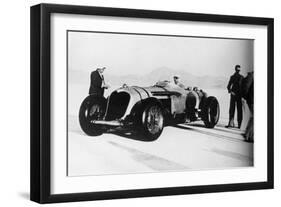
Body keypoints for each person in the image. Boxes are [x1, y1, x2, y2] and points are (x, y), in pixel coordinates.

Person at [242, 71, 254, 142]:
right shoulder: (250, 77)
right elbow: (246, 89)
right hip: (251, 101)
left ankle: (248, 135)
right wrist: (247, 98)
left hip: (252, 100)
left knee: (253, 117)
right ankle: (248, 135)